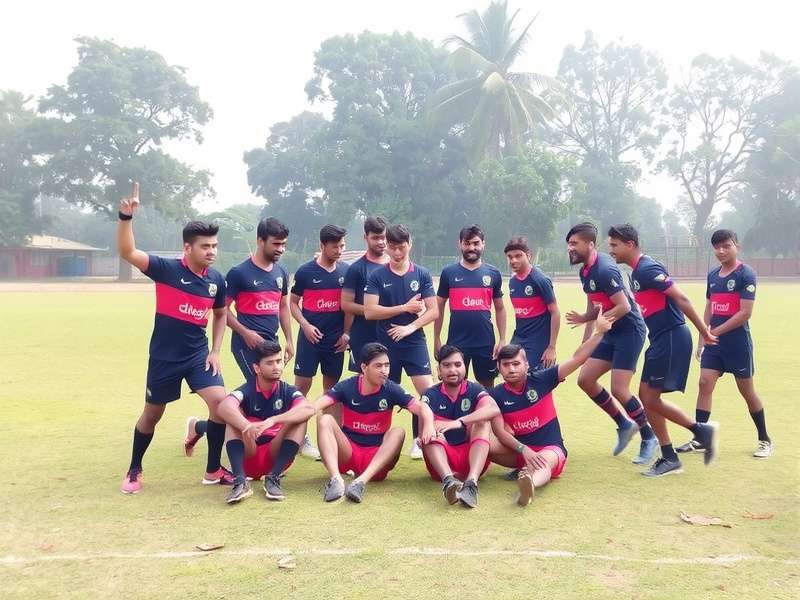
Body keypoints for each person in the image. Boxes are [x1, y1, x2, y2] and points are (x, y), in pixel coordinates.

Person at [117, 183, 231, 494]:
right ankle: (134, 468)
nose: (211, 252)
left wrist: (216, 350)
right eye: (205, 246)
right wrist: (126, 218)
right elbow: (127, 252)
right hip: (165, 358)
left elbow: (221, 314)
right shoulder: (166, 270)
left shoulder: (216, 281)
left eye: (214, 246)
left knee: (221, 405)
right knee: (153, 414)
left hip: (198, 356)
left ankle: (212, 470)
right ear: (187, 248)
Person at [184, 217, 305, 458]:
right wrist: (245, 332)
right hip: (245, 346)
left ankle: (199, 427)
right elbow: (222, 311)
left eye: (284, 244)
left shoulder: (281, 271)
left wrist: (289, 340)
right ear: (260, 241)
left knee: (268, 395)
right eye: (276, 244)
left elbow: (282, 307)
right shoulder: (239, 273)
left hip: (271, 345)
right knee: (258, 396)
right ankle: (252, 443)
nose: (281, 249)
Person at [607, 224, 720, 476]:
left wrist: (704, 331)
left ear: (630, 244)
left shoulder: (647, 269)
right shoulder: (635, 273)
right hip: (659, 339)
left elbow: (681, 298)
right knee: (648, 398)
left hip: (671, 337)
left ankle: (685, 444)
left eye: (614, 245)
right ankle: (685, 443)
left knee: (648, 398)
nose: (611, 249)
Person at [489, 309, 613, 506]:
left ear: (527, 365)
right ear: (499, 368)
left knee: (543, 462)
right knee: (482, 442)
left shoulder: (542, 379)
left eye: (516, 364)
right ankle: (469, 478)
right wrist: (521, 447)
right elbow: (495, 430)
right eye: (506, 365)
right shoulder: (495, 394)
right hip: (519, 452)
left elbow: (577, 359)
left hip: (550, 449)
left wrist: (599, 332)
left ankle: (529, 484)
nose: (511, 369)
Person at [564, 222, 657, 464]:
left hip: (629, 331)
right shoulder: (585, 270)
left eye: (574, 244)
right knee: (585, 380)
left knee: (619, 389)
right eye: (569, 244)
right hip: (609, 331)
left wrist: (598, 327)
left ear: (590, 244)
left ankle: (649, 437)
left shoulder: (605, 269)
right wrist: (586, 332)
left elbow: (624, 307)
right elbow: (594, 303)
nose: (570, 249)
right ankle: (624, 425)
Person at [677, 229, 772, 459]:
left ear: (736, 246)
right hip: (714, 343)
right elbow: (710, 307)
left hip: (737, 344)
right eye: (717, 247)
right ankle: (700, 438)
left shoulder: (746, 274)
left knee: (747, 391)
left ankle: (764, 439)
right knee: (704, 383)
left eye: (726, 246)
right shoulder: (713, 276)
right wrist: (703, 336)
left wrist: (714, 333)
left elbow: (745, 313)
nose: (721, 251)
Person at [313, 343, 436, 503]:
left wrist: (429, 425)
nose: (384, 370)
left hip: (376, 459)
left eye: (387, 365)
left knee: (398, 432)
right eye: (378, 366)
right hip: (348, 453)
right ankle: (336, 480)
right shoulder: (347, 386)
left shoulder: (392, 389)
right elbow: (317, 405)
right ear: (364, 368)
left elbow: (422, 408)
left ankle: (360, 483)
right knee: (325, 419)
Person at [363, 224, 439, 459]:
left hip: (414, 341)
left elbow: (433, 310)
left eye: (401, 247)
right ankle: (376, 440)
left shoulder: (422, 274)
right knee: (381, 392)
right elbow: (369, 312)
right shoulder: (377, 275)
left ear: (410, 244)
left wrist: (410, 327)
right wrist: (404, 308)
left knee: (427, 390)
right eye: (392, 248)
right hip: (386, 346)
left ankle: (420, 439)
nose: (397, 253)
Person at [215, 340, 315, 504]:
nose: (276, 367)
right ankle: (240, 481)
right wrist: (246, 425)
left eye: (279, 361)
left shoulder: (287, 390)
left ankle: (273, 478)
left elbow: (309, 409)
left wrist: (273, 420)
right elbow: (224, 407)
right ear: (257, 368)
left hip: (275, 454)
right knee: (233, 416)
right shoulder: (247, 389)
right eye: (270, 363)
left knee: (300, 419)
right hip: (250, 451)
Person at [420, 345, 500, 508]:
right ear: (439, 370)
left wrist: (460, 422)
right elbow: (424, 409)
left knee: (482, 422)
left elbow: (493, 409)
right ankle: (449, 482)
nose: (452, 370)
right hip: (441, 463)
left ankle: (471, 484)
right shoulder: (430, 394)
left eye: (457, 365)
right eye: (447, 365)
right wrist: (429, 425)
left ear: (465, 366)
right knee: (430, 430)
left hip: (473, 460)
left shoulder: (475, 389)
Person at [434, 224, 506, 389]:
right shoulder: (448, 273)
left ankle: (486, 415)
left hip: (485, 342)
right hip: (457, 342)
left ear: (483, 244)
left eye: (475, 243)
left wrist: (502, 339)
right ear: (460, 244)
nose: (471, 247)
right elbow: (439, 306)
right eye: (467, 243)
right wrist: (437, 338)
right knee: (455, 385)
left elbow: (500, 308)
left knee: (487, 386)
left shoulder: (493, 273)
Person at [341, 216, 390, 374]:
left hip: (390, 333)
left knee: (389, 381)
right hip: (363, 334)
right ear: (365, 237)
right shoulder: (356, 269)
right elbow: (346, 304)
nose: (381, 242)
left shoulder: (395, 265)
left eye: (383, 237)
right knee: (363, 382)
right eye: (375, 238)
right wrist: (373, 310)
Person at [504, 236, 560, 371]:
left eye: (518, 256)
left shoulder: (539, 279)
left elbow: (555, 312)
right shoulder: (513, 281)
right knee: (510, 373)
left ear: (528, 255)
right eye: (510, 257)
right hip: (519, 338)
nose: (513, 260)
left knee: (534, 380)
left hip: (537, 342)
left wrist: (551, 347)